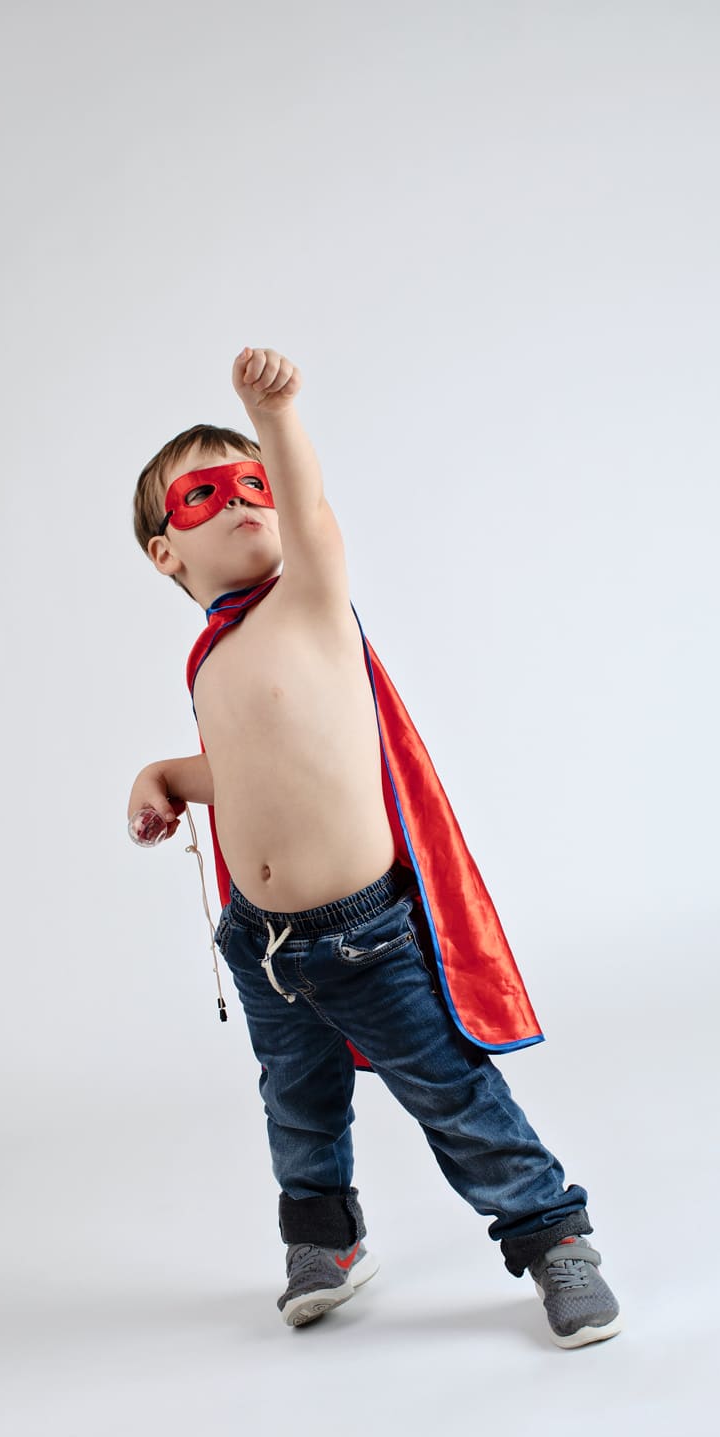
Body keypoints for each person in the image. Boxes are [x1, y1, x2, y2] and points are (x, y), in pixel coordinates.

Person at [127, 346, 621, 1349]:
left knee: (452, 1093)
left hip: (363, 939)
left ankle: (552, 1237)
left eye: (254, 484)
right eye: (206, 496)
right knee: (296, 1105)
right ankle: (325, 1240)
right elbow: (255, 773)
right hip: (258, 943)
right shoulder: (214, 653)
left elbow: (308, 518)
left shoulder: (306, 606)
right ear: (164, 553)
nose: (245, 501)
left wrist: (277, 419)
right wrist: (169, 778)